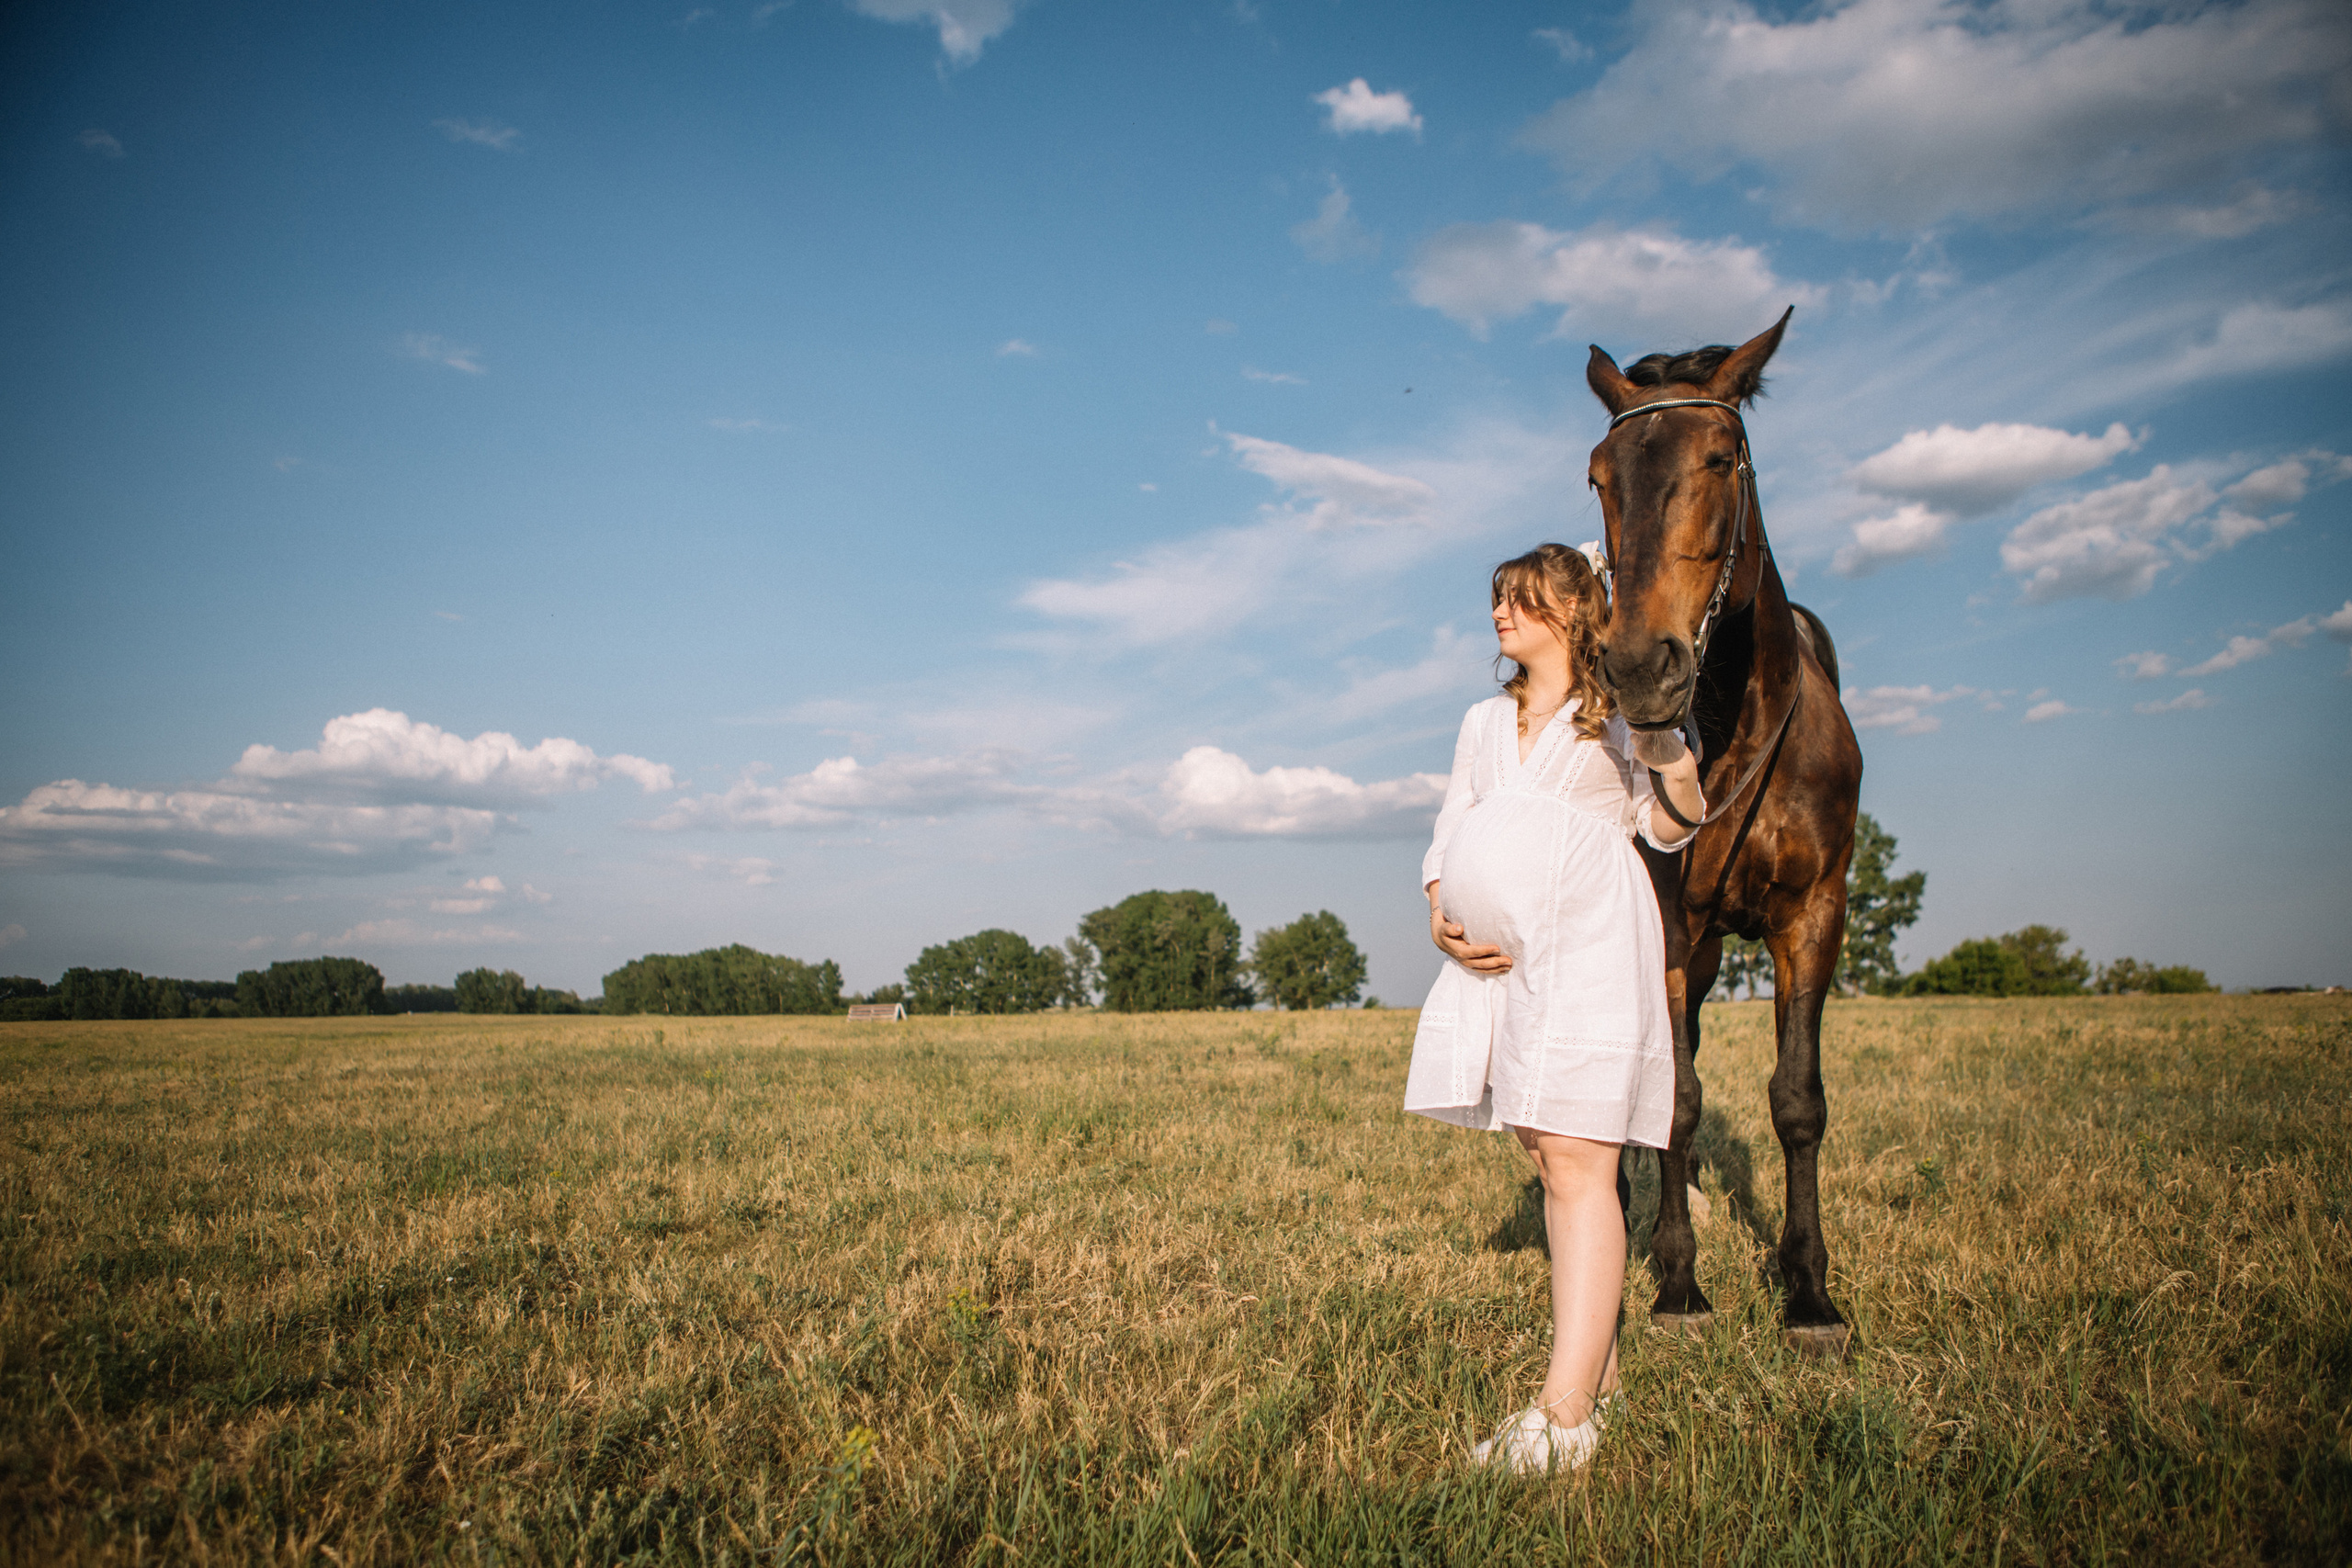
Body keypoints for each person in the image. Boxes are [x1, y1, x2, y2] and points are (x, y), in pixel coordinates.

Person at [1403, 540, 1705, 1474]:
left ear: (1573, 611)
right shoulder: (1482, 722)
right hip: (1501, 967)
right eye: (1497, 598)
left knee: (1577, 1159)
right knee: (1546, 1151)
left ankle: (1564, 1417)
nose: (1501, 612)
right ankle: (1598, 1384)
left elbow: (1667, 826)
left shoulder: (1615, 713)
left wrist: (1670, 757)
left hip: (1588, 943)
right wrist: (1441, 915)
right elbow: (1451, 826)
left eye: (1522, 597)